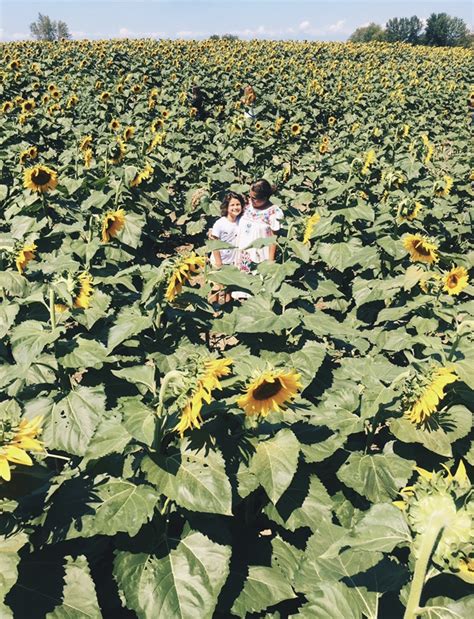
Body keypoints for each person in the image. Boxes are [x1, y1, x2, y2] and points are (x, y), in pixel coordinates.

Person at [235, 179, 283, 274]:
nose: (250, 199)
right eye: (250, 196)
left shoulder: (273, 212)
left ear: (265, 198)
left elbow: (273, 240)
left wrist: (270, 262)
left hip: (259, 256)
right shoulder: (247, 205)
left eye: (254, 198)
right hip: (241, 254)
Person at [209, 191, 246, 305]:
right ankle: (212, 309)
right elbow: (214, 245)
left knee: (228, 288)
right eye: (232, 205)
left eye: (238, 204)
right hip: (218, 261)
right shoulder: (220, 223)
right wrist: (219, 264)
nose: (236, 207)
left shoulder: (241, 221)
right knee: (217, 287)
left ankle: (227, 310)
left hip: (232, 261)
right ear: (226, 207)